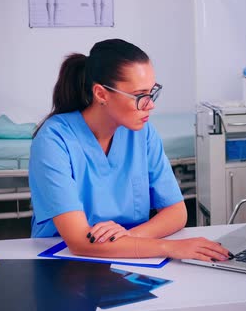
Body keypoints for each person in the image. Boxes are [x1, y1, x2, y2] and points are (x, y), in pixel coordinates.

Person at [29, 38, 230, 262]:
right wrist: (169, 247)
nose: (150, 105)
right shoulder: (54, 139)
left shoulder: (143, 133)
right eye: (140, 96)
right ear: (101, 94)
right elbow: (78, 241)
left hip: (134, 257)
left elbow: (177, 213)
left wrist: (129, 236)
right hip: (62, 260)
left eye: (152, 93)